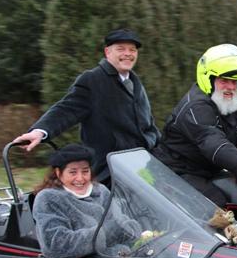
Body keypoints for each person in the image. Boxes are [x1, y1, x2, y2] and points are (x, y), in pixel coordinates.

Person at [13, 28, 160, 184]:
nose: (128, 54)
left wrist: (155, 145)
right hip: (109, 173)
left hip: (141, 167)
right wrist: (40, 132)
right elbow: (66, 109)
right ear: (108, 52)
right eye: (121, 49)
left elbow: (147, 125)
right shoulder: (92, 80)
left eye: (132, 50)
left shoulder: (135, 83)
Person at [152, 44, 237, 207]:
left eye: (235, 81)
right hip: (176, 172)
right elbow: (217, 146)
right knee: (217, 206)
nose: (231, 87)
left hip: (208, 170)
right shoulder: (196, 107)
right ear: (209, 79)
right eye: (224, 80)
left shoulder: (235, 102)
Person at [32, 144, 114, 258]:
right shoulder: (48, 198)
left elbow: (119, 220)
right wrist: (104, 234)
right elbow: (56, 246)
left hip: (114, 254)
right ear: (58, 173)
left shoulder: (101, 190)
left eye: (85, 171)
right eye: (73, 172)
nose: (80, 178)